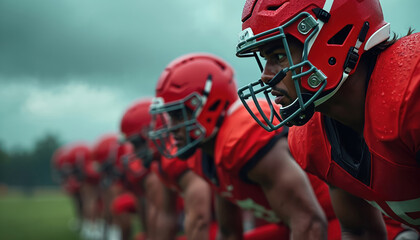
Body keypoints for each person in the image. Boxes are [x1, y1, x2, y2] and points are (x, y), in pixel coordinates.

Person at [235, 0, 420, 238]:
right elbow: (360, 231)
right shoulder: (313, 139)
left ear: (335, 39)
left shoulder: (410, 91)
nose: (265, 77)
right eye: (265, 58)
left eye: (278, 55)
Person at [148, 53, 341, 239]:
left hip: (334, 222)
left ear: (209, 105)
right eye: (169, 116)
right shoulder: (203, 153)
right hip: (294, 224)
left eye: (179, 115)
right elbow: (229, 232)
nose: (172, 128)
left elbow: (310, 222)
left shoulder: (241, 139)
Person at [120, 98, 214, 240]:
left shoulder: (175, 161)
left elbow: (200, 220)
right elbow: (164, 217)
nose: (133, 150)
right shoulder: (160, 165)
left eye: (136, 143)